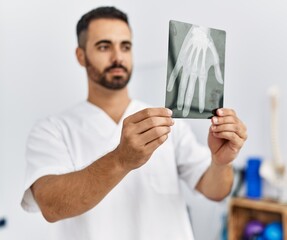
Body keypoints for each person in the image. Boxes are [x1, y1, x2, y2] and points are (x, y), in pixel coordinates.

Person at [21, 6, 247, 240]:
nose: (118, 57)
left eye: (125, 46)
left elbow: (216, 191)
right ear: (81, 56)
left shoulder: (168, 122)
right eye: (104, 46)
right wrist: (121, 159)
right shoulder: (52, 130)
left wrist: (221, 163)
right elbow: (51, 205)